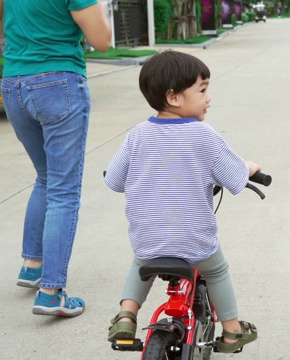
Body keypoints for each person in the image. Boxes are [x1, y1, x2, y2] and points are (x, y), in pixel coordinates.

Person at [104, 50, 259, 353]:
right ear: (174, 97)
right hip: (194, 243)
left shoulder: (137, 135)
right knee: (217, 271)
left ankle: (127, 316)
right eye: (202, 90)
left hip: (149, 241)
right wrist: (251, 167)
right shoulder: (203, 135)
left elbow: (115, 181)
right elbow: (235, 176)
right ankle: (231, 333)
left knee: (140, 262)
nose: (208, 98)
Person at [0, 0, 111, 317]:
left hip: (14, 84)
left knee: (46, 177)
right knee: (63, 189)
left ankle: (32, 266)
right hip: (58, 82)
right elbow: (101, 41)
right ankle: (52, 293)